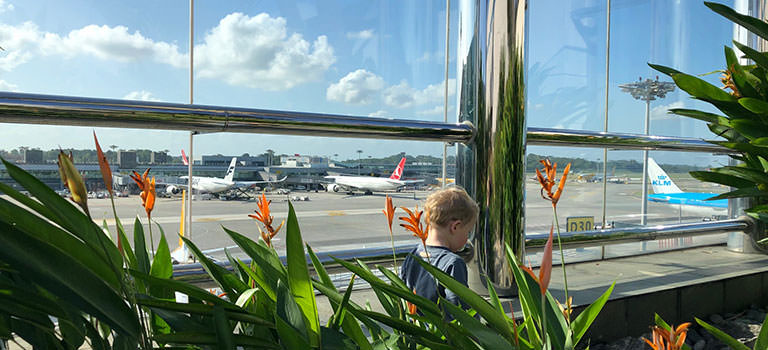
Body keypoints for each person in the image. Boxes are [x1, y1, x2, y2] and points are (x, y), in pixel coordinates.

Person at [399, 186, 479, 309]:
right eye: (467, 232)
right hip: (442, 328)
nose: (467, 238)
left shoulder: (413, 255)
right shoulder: (453, 263)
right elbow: (459, 309)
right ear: (455, 227)